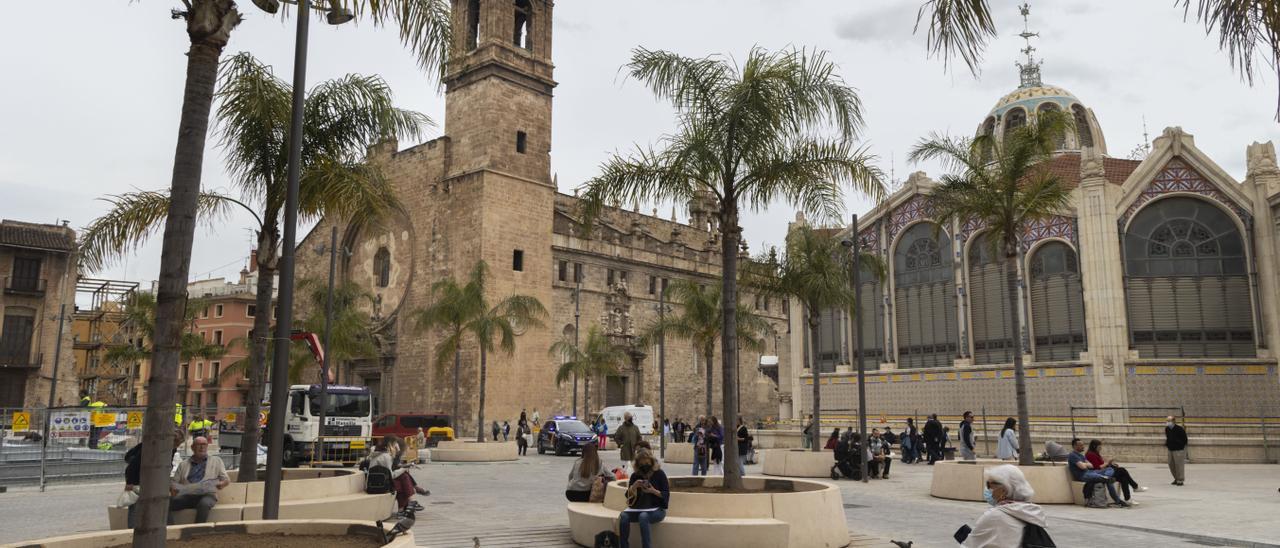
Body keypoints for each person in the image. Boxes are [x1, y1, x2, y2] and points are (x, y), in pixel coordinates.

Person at [958, 464, 1052, 548]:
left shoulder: (994, 516)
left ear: (1003, 489)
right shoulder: (1030, 512)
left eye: (989, 484)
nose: (987, 489)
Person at [124, 427, 185, 528]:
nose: (177, 446)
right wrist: (130, 483)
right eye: (176, 443)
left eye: (178, 444)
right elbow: (133, 465)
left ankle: (169, 527)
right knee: (135, 502)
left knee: (162, 502)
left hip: (155, 478)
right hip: (138, 477)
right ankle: (131, 529)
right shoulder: (152, 446)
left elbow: (167, 464)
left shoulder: (171, 448)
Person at [168, 436, 230, 524]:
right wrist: (173, 488)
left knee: (204, 504)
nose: (202, 447)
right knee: (165, 503)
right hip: (187, 496)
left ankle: (197, 530)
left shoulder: (216, 461)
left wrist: (221, 484)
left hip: (207, 495)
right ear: (192, 447)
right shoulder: (183, 464)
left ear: (207, 446)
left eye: (204, 444)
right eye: (198, 444)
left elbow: (226, 479)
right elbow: (173, 482)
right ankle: (172, 529)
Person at [618, 450, 669, 548]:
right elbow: (628, 497)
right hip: (638, 508)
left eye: (646, 463)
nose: (644, 465)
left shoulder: (659, 474)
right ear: (637, 464)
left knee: (643, 516)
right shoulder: (635, 476)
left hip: (657, 510)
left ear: (651, 461)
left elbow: (666, 494)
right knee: (623, 516)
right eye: (641, 463)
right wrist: (634, 486)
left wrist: (653, 491)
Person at [1067, 438, 1128, 507]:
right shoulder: (1072, 455)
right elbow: (1083, 467)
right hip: (1083, 475)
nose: (1083, 447)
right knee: (1107, 480)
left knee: (1110, 469)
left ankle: (1106, 477)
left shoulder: (1081, 456)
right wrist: (1085, 464)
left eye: (1083, 445)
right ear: (1075, 446)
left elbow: (1091, 465)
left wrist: (1085, 464)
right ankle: (1117, 500)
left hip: (1090, 472)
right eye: (1081, 445)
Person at [1165, 415, 1187, 486]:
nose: (1167, 422)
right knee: (1171, 464)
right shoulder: (1167, 429)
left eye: (1169, 421)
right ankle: (1176, 478)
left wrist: (1179, 445)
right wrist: (1167, 444)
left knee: (1179, 465)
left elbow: (1185, 439)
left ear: (1173, 421)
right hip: (1170, 449)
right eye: (1167, 421)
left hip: (1178, 450)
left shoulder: (1179, 429)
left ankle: (1180, 480)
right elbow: (1168, 437)